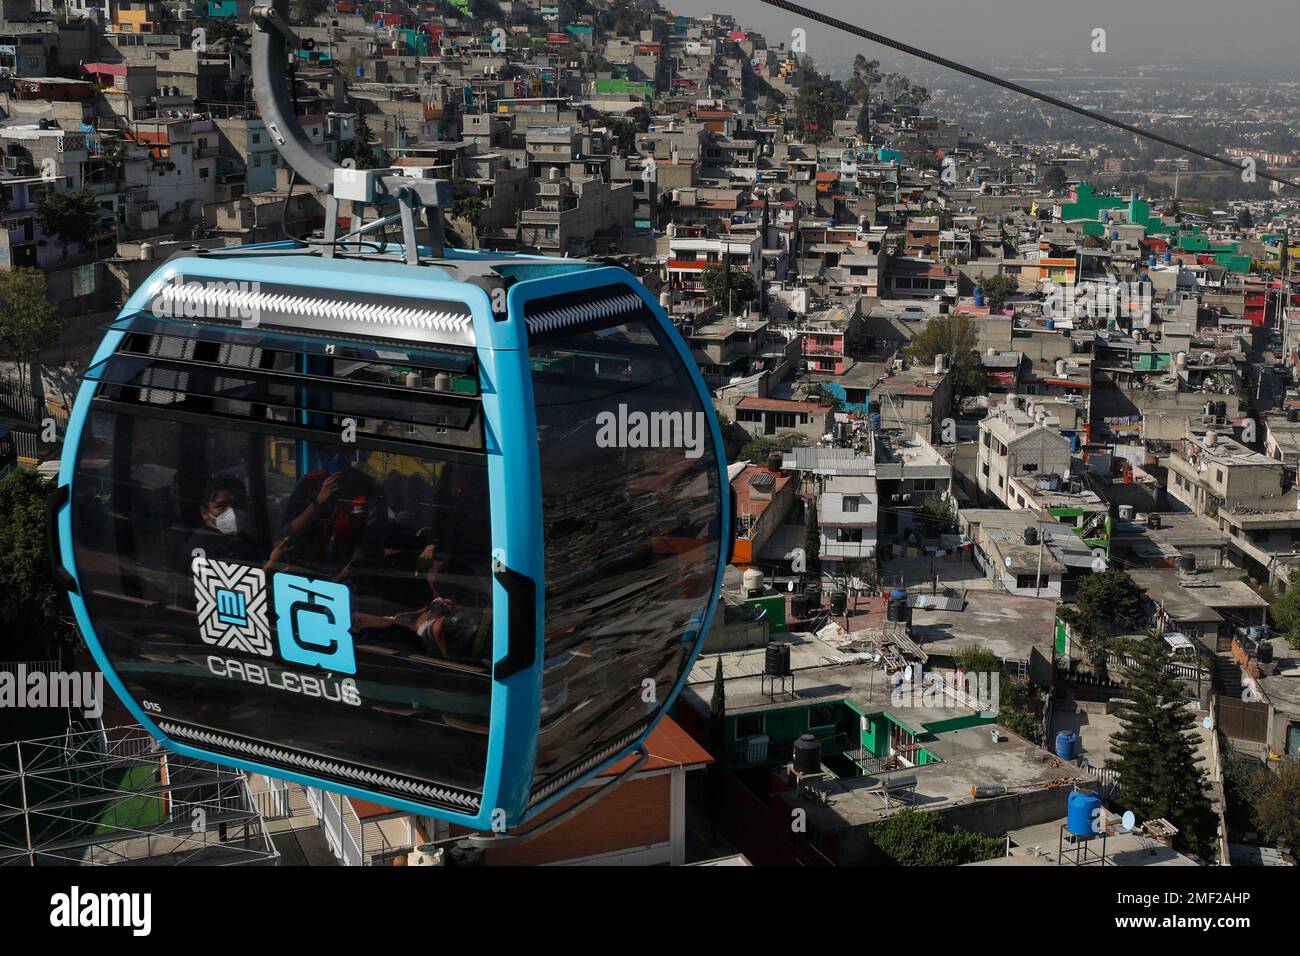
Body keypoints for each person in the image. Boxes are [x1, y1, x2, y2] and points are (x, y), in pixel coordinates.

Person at [270, 449, 387, 582]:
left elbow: (371, 544)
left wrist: (341, 577)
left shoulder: (370, 487)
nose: (337, 458)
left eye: (343, 452)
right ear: (319, 454)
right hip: (305, 571)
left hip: (348, 576)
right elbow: (286, 533)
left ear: (352, 453)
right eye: (329, 451)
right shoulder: (308, 483)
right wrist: (318, 503)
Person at [184, 475, 260, 566]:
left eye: (237, 504)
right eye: (221, 506)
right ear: (205, 513)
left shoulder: (245, 539)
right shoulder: (200, 547)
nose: (232, 512)